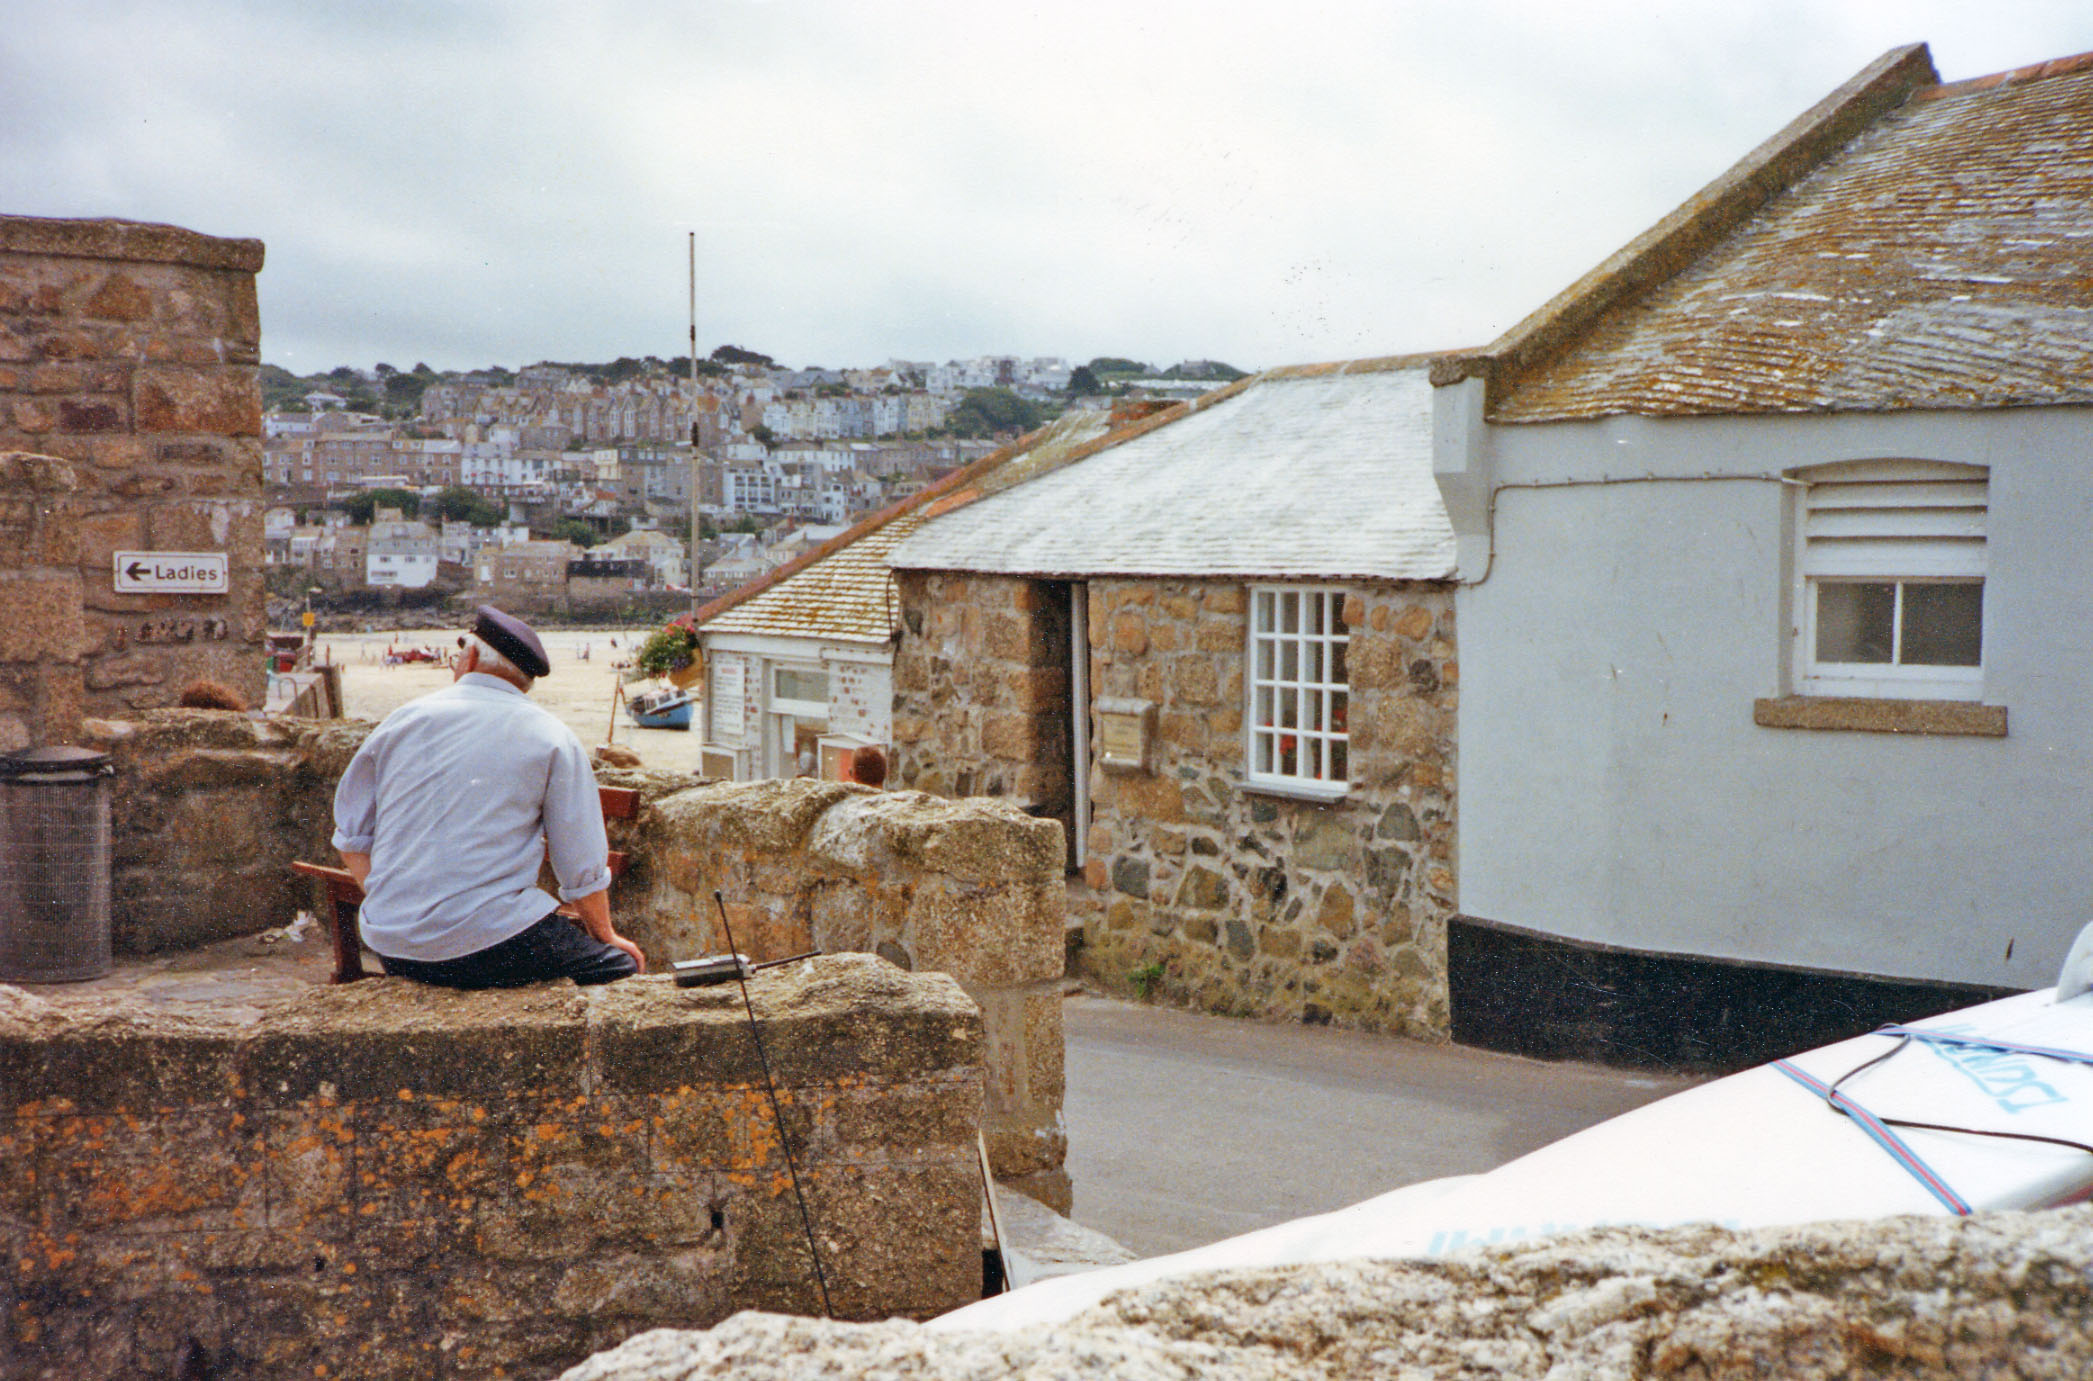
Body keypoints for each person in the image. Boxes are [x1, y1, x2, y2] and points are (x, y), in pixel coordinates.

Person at [330, 605, 646, 988]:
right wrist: (606, 936)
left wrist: (394, 904)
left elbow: (350, 836)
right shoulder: (551, 736)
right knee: (620, 968)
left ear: (472, 656)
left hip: (394, 944)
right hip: (491, 942)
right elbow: (580, 859)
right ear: (525, 680)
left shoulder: (401, 720)